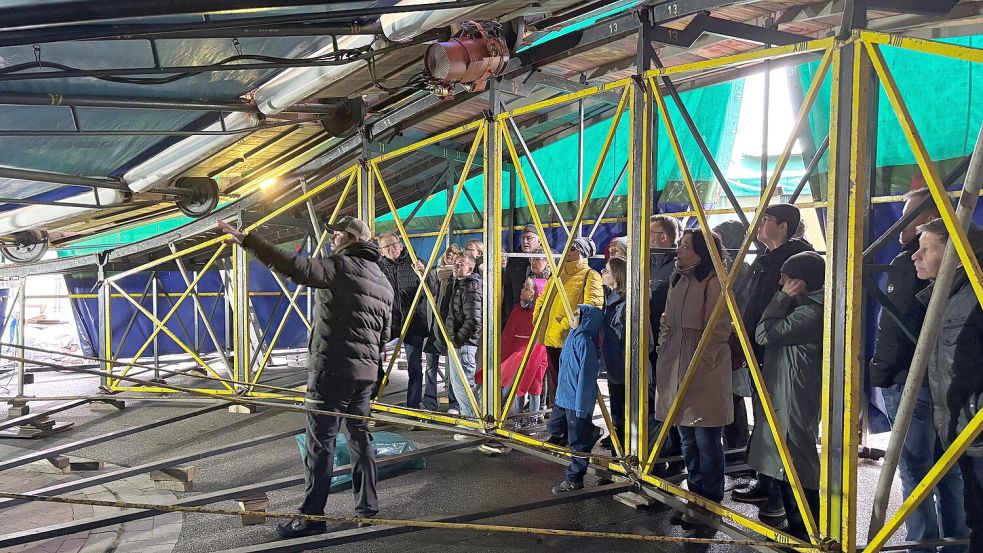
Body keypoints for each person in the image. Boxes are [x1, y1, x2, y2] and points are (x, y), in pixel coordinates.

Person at [217, 217, 393, 539]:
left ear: (350, 238)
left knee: (320, 445)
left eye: (337, 233)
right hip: (365, 376)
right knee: (361, 440)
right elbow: (386, 334)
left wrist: (248, 240)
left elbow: (296, 267)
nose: (332, 238)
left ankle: (312, 518)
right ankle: (367, 511)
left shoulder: (341, 265)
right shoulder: (382, 279)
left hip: (332, 371)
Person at [869, 189, 967, 551]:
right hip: (941, 381)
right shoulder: (957, 269)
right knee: (948, 470)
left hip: (911, 379)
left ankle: (922, 543)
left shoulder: (908, 262)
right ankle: (958, 541)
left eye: (907, 214)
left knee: (915, 469)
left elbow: (893, 325)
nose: (900, 221)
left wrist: (880, 372)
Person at [732, 203, 813, 519]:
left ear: (783, 226)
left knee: (780, 426)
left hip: (779, 354)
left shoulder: (798, 261)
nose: (758, 226)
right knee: (764, 423)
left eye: (764, 220)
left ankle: (783, 500)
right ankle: (766, 483)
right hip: (759, 351)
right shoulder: (766, 261)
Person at [912, 218, 983, 552]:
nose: (916, 256)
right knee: (976, 519)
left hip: (976, 432)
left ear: (955, 254)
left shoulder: (975, 294)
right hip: (963, 432)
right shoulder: (948, 296)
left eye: (926, 248)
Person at [654, 229, 732, 530]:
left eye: (686, 247)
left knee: (706, 436)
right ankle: (695, 495)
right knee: (687, 435)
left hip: (702, 367)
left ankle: (710, 502)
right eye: (680, 246)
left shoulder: (715, 280)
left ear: (702, 251)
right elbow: (666, 320)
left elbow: (719, 328)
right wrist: (664, 347)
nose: (680, 251)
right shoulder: (678, 277)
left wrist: (703, 362)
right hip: (675, 360)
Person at [750, 251, 825, 541]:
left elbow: (764, 333)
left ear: (799, 281)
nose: (779, 281)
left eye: (785, 276)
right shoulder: (803, 306)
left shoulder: (811, 312)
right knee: (783, 458)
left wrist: (780, 298)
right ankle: (797, 528)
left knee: (796, 460)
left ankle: (805, 531)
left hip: (794, 394)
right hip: (785, 389)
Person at [535, 237, 605, 445]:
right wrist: (538, 317)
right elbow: (543, 298)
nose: (568, 251)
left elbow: (592, 306)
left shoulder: (590, 275)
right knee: (557, 387)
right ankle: (562, 430)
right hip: (551, 338)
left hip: (569, 340)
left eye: (573, 248)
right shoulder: (558, 274)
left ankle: (576, 431)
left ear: (583, 253)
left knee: (571, 389)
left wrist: (564, 323)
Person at [475, 277, 549, 422]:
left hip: (535, 353)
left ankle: (532, 418)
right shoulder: (517, 310)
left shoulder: (540, 314)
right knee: (516, 384)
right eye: (523, 287)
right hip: (517, 352)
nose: (522, 291)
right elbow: (508, 334)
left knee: (534, 386)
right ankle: (517, 418)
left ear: (537, 294)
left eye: (527, 289)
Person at [551, 304, 606, 493]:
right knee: (555, 428)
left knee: (578, 442)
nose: (572, 316)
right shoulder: (573, 337)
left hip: (575, 401)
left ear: (586, 320)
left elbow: (586, 377)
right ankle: (590, 431)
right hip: (565, 397)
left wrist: (582, 406)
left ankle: (575, 479)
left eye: (577, 314)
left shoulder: (584, 342)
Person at [377, 232, 429, 411]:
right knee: (369, 357)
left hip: (413, 322)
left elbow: (432, 290)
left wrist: (424, 275)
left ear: (401, 245)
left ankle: (413, 408)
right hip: (389, 323)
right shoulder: (378, 268)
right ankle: (373, 404)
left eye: (394, 244)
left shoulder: (415, 262)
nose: (392, 249)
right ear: (382, 252)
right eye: (387, 247)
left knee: (414, 367)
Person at [713, 220, 753, 454]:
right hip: (725, 336)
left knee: (733, 393)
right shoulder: (725, 268)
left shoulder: (740, 270)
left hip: (731, 338)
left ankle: (737, 447)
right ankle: (733, 445)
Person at [422, 244, 463, 412]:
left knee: (453, 369)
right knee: (430, 367)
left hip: (449, 327)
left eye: (454, 253)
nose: (450, 254)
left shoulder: (457, 278)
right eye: (448, 252)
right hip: (433, 327)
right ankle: (430, 403)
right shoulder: (433, 274)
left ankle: (454, 403)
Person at [444, 252, 482, 425]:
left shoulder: (470, 286)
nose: (456, 267)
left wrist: (458, 339)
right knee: (459, 384)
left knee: (464, 384)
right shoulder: (460, 284)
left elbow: (474, 319)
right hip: (460, 342)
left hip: (464, 344)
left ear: (470, 268)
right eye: (455, 264)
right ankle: (469, 419)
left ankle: (471, 422)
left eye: (461, 264)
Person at [600, 256, 628, 451]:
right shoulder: (609, 297)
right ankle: (617, 438)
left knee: (624, 405)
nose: (602, 273)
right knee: (616, 403)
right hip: (613, 363)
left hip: (622, 365)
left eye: (607, 271)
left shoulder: (624, 304)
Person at [503, 224, 544, 323]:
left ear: (540, 241)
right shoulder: (514, 259)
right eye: (522, 238)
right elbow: (508, 290)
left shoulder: (549, 258)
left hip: (541, 314)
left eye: (529, 238)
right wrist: (510, 313)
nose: (525, 241)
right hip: (518, 313)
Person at [650, 215, 681, 288]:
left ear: (663, 237)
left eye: (649, 232)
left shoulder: (679, 265)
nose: (643, 236)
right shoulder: (650, 260)